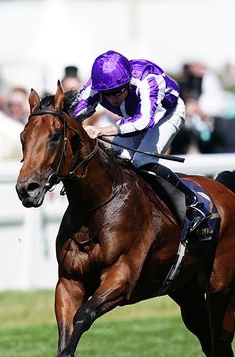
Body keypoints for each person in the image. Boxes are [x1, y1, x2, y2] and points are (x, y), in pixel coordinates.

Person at [69, 50, 205, 233]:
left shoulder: (146, 79)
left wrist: (101, 130)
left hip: (165, 114)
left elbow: (143, 122)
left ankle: (192, 202)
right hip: (134, 117)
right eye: (106, 94)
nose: (112, 99)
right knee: (117, 159)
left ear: (127, 82)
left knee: (142, 162)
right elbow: (72, 115)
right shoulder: (96, 84)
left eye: (117, 91)